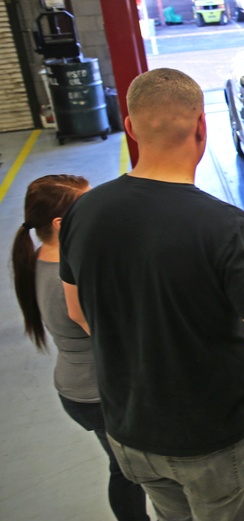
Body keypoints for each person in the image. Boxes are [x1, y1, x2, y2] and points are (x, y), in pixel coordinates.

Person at [59, 68, 244, 520]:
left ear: (130, 127)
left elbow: (77, 311)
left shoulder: (83, 212)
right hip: (213, 443)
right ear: (201, 125)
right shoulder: (227, 229)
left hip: (130, 434)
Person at [11, 175, 149, 521]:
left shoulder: (42, 257)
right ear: (61, 224)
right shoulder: (71, 278)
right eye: (88, 206)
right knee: (129, 472)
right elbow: (120, 335)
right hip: (98, 393)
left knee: (125, 467)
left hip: (78, 387)